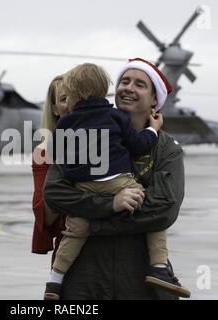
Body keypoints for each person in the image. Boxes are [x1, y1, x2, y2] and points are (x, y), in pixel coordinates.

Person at [43, 58, 188, 300]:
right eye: (124, 81)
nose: (129, 87)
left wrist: (93, 225)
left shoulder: (166, 149)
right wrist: (111, 203)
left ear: (155, 99)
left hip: (141, 280)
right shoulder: (82, 134)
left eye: (140, 84)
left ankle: (161, 270)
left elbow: (163, 209)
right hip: (86, 278)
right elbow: (56, 193)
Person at [32, 75, 69, 258]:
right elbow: (45, 217)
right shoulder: (44, 153)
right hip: (68, 252)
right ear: (54, 108)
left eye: (78, 96)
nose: (72, 103)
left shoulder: (109, 141)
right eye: (64, 99)